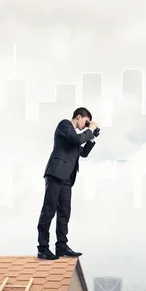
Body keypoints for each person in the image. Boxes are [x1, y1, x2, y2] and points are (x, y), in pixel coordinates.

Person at [36, 107, 98, 260]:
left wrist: (91, 137)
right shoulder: (64, 125)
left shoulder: (75, 137)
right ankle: (43, 248)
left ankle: (61, 247)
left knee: (64, 213)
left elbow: (82, 153)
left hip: (67, 178)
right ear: (79, 116)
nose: (86, 124)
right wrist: (90, 130)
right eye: (86, 121)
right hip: (56, 173)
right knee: (49, 211)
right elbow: (77, 140)